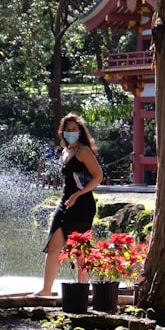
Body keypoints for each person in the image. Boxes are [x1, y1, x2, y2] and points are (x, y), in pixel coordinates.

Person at [32, 113, 103, 297]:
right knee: (54, 244)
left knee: (80, 250)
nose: (71, 132)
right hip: (65, 202)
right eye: (68, 130)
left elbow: (98, 177)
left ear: (80, 131)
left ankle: (82, 290)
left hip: (82, 204)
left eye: (74, 129)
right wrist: (68, 197)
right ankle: (46, 290)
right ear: (62, 132)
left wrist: (78, 195)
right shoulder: (65, 151)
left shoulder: (84, 151)